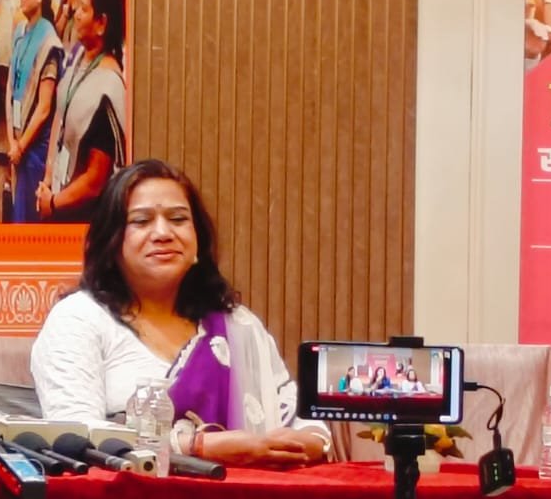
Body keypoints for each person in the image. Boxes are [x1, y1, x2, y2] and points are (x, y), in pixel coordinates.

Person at [30, 159, 330, 467]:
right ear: (112, 241)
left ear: (197, 239)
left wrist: (310, 442)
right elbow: (77, 438)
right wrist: (196, 447)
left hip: (249, 495)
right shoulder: (79, 320)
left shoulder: (238, 325)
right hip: (132, 494)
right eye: (141, 221)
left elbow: (302, 420)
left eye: (178, 219)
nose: (163, 233)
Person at [37, 0, 128, 222]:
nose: (76, 13)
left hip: (83, 219)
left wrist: (53, 203)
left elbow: (95, 181)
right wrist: (48, 178)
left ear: (101, 23)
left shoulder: (108, 88)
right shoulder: (79, 56)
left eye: (84, 9)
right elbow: (60, 115)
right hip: (58, 193)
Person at [6, 0, 63, 223]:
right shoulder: (20, 32)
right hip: (17, 142)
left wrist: (20, 146)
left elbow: (44, 108)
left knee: (29, 219)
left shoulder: (49, 42)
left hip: (34, 148)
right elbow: (10, 88)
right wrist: (11, 141)